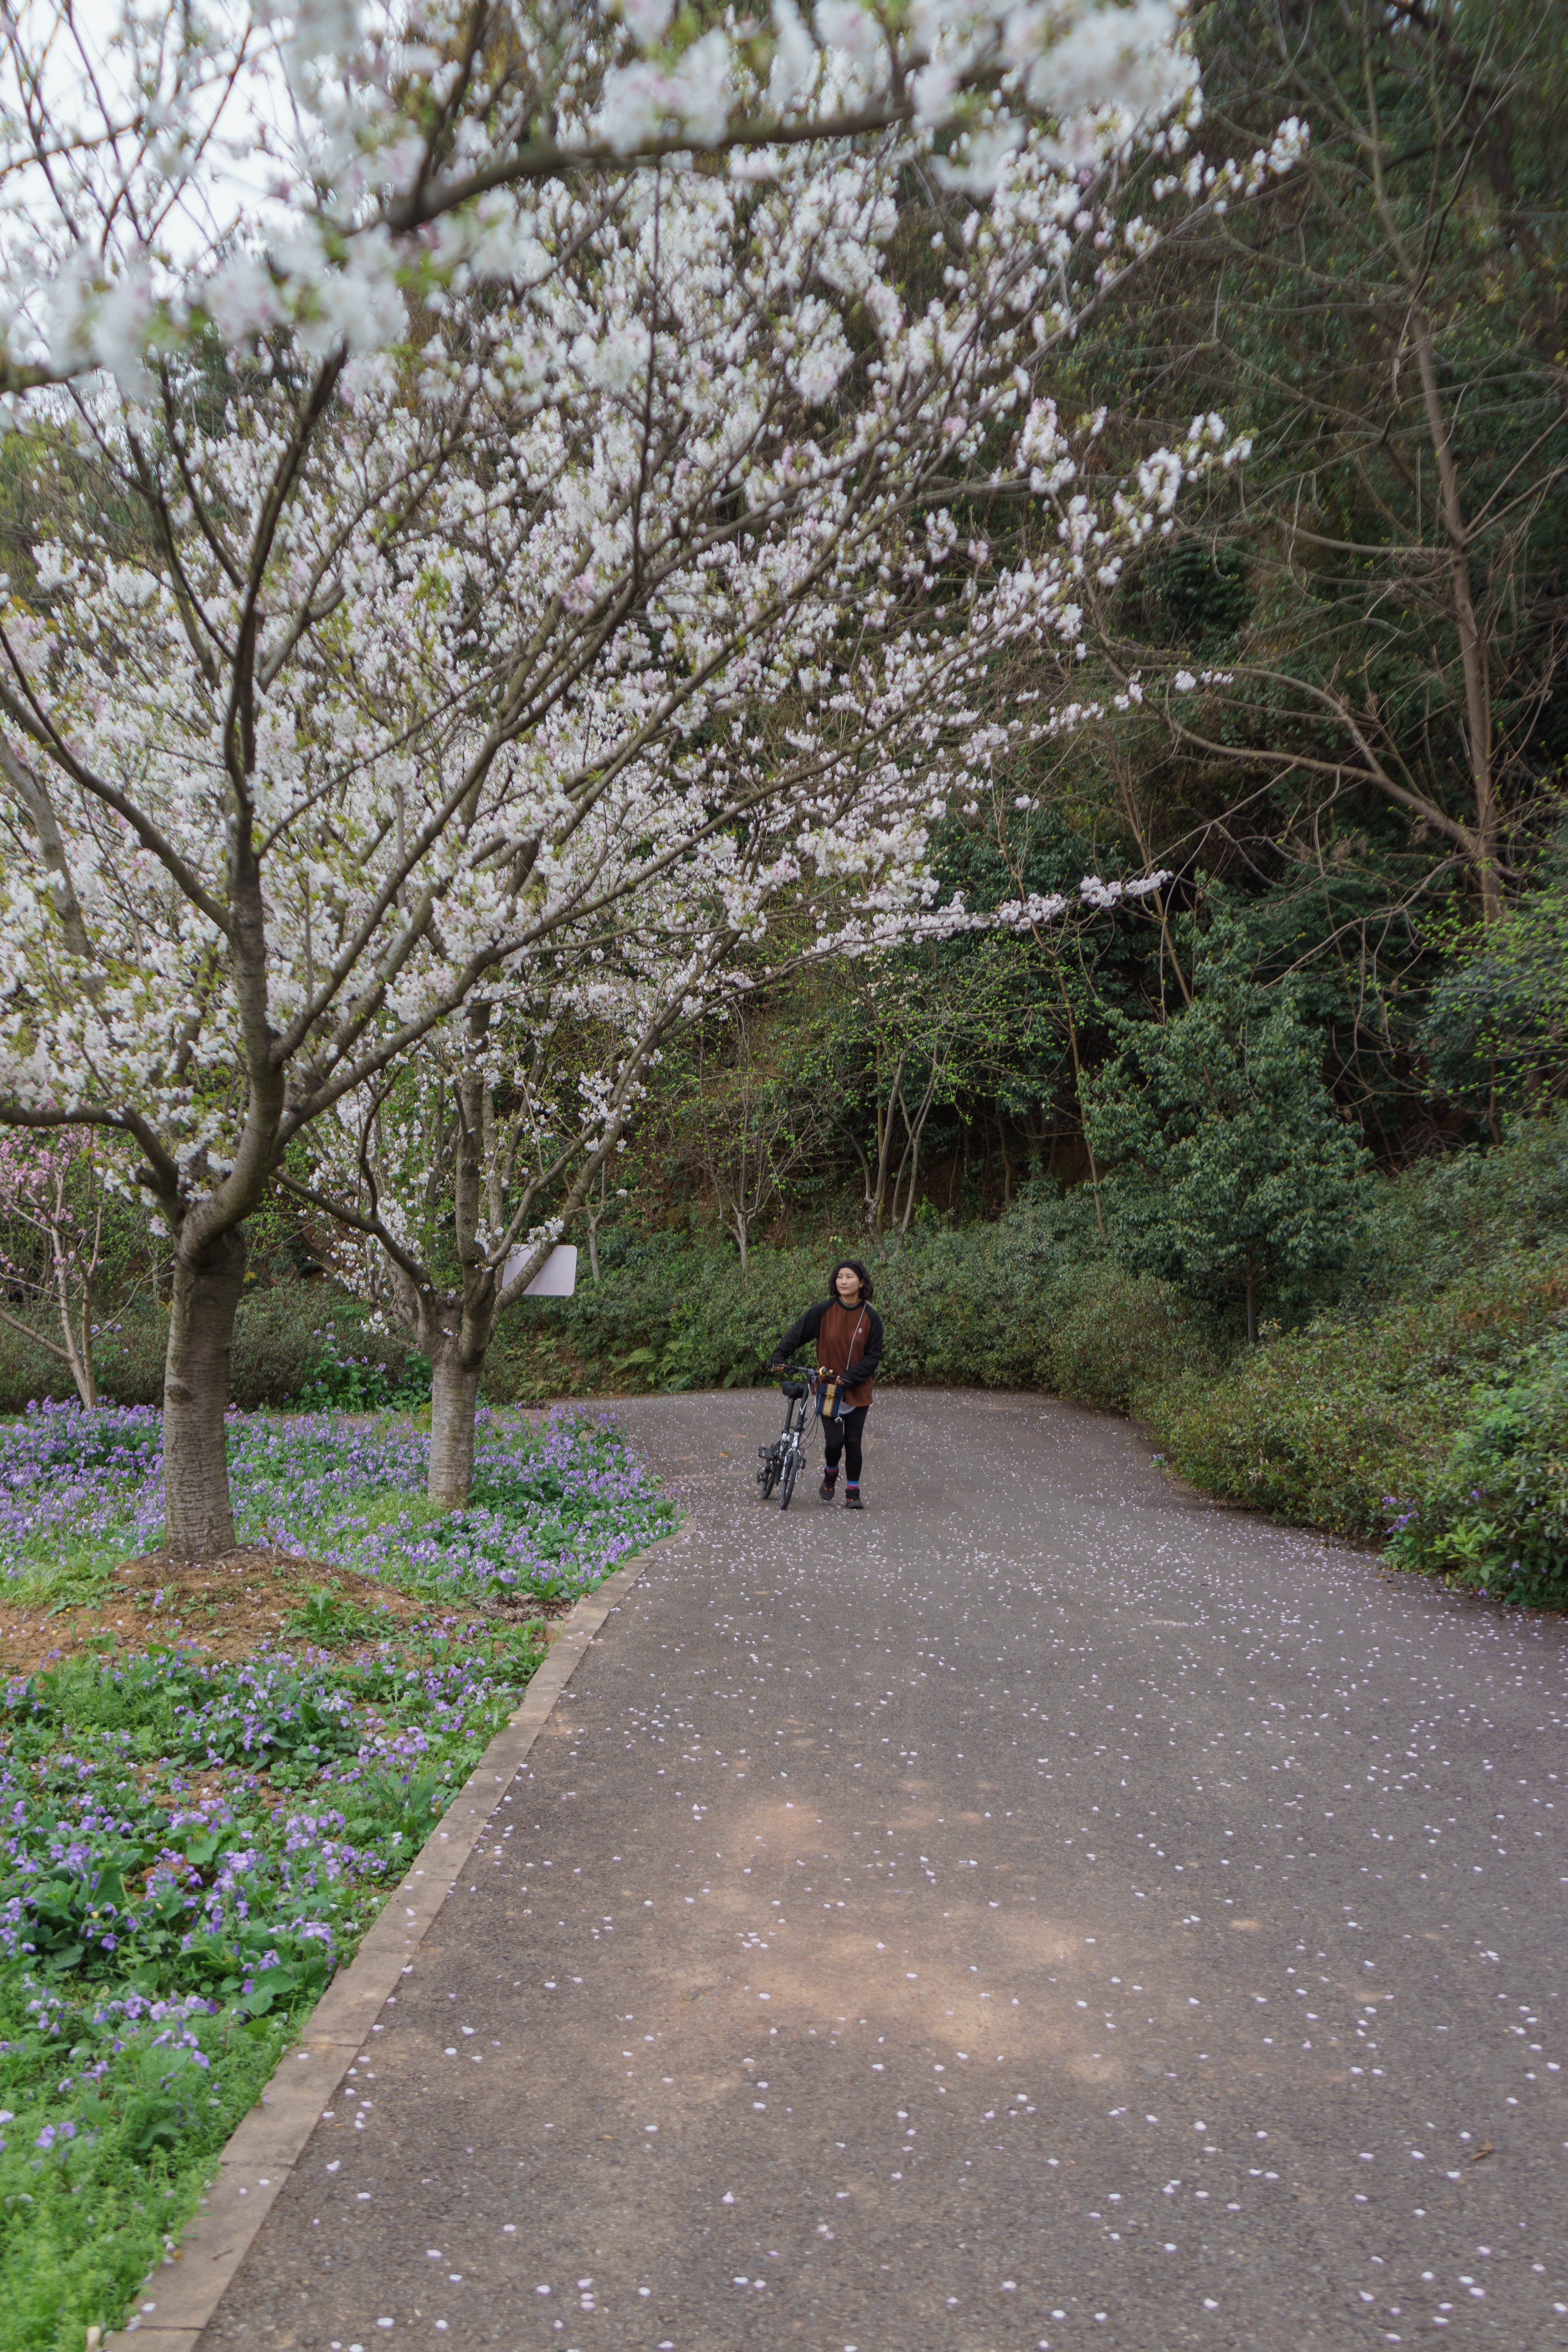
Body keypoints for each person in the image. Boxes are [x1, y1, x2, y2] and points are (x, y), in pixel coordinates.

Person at [770, 1259, 883, 1510]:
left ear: (862, 1282)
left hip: (858, 1388)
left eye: (850, 1277)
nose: (844, 1281)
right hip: (829, 1387)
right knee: (834, 1442)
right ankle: (831, 1473)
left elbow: (874, 1356)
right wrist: (780, 1356)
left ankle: (853, 1490)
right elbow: (797, 1333)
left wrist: (852, 1375)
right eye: (840, 1277)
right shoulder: (824, 1311)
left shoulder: (871, 1317)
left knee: (853, 1442)